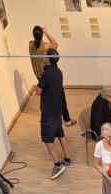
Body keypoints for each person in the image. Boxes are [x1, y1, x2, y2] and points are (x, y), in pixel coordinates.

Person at [38, 50, 73, 178]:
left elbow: (38, 91)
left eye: (45, 55)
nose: (43, 57)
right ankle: (67, 158)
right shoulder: (59, 72)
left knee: (47, 140)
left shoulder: (46, 74)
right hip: (57, 110)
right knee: (60, 134)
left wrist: (41, 74)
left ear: (48, 58)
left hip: (48, 113)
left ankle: (57, 164)